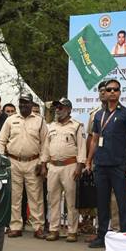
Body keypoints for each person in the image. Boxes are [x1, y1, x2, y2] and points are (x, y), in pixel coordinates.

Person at [85, 79, 126, 248]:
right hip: (100, 165)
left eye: (115, 89)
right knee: (102, 202)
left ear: (120, 92)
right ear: (105, 93)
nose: (112, 92)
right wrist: (88, 161)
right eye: (109, 90)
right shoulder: (98, 115)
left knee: (122, 201)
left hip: (118, 164)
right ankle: (101, 236)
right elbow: (94, 140)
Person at [0, 93, 48, 239]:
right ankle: (15, 226)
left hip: (33, 162)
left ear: (32, 104)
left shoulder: (40, 121)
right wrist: (3, 160)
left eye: (26, 103)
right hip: (13, 162)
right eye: (21, 103)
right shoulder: (10, 120)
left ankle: (38, 227)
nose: (23, 105)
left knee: (36, 197)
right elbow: (1, 141)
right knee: (15, 196)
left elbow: (45, 143)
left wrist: (42, 163)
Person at [41, 98, 86, 242]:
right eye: (56, 108)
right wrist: (43, 164)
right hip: (53, 166)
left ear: (69, 110)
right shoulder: (50, 126)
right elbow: (46, 147)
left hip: (70, 166)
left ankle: (72, 231)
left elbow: (82, 147)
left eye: (61, 108)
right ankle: (54, 229)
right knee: (52, 200)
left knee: (71, 201)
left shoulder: (77, 126)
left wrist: (80, 166)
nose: (57, 110)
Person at [86, 81, 120, 234]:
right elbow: (91, 138)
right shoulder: (95, 114)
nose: (103, 93)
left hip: (116, 161)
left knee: (115, 198)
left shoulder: (121, 112)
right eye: (101, 91)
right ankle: (101, 231)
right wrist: (88, 160)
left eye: (106, 90)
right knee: (101, 196)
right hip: (99, 160)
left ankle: (116, 229)